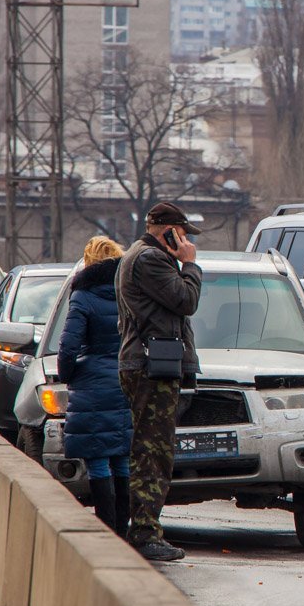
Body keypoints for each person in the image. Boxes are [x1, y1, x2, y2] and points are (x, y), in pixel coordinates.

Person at [116, 202, 203, 562]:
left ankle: (144, 528)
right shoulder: (150, 260)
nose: (185, 240)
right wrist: (190, 264)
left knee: (153, 448)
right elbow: (186, 300)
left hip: (152, 363)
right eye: (181, 233)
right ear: (167, 230)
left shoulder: (145, 257)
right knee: (153, 451)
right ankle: (145, 533)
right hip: (150, 365)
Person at [59, 236, 131, 536]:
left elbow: (68, 346)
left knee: (99, 460)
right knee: (123, 459)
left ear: (88, 261)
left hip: (91, 385)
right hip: (127, 381)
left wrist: (69, 375)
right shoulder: (131, 291)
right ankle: (124, 530)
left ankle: (108, 531)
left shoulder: (83, 296)